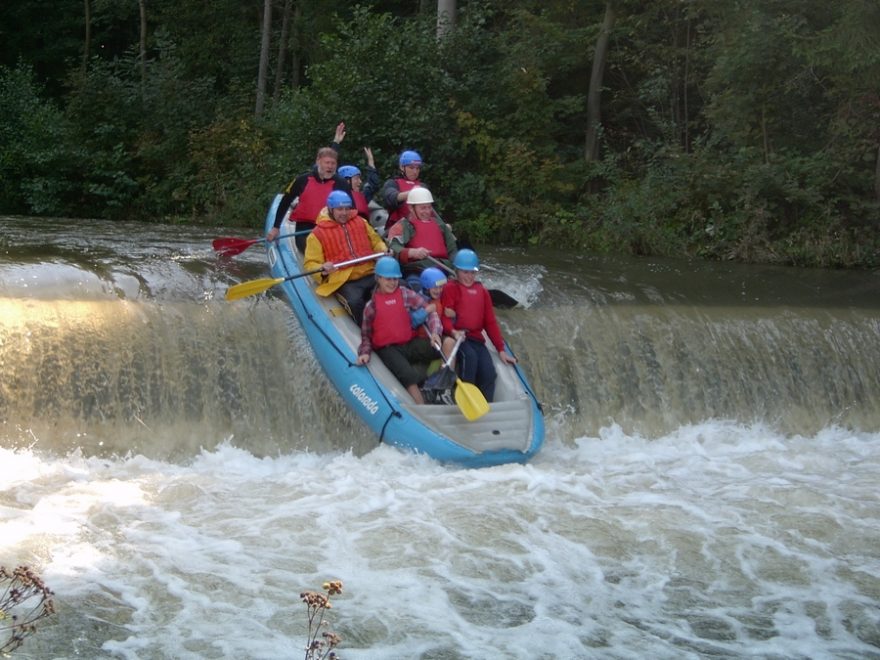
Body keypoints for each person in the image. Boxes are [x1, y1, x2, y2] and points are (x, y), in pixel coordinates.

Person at [357, 257, 442, 405]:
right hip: (388, 349)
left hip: (409, 342)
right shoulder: (371, 306)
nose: (393, 283)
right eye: (388, 279)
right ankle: (422, 408)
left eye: (395, 279)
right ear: (378, 279)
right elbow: (366, 335)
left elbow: (429, 310)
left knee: (439, 348)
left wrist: (435, 332)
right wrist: (364, 352)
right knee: (408, 375)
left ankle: (440, 388)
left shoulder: (405, 294)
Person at [440, 249, 517, 402]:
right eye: (465, 272)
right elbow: (445, 318)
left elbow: (490, 322)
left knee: (489, 373)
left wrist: (500, 349)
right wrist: (453, 332)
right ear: (456, 271)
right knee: (470, 358)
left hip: (476, 339)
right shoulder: (450, 289)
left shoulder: (482, 292)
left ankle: (486, 404)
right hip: (460, 338)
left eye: (472, 273)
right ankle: (461, 399)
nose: (469, 277)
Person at [303, 191, 387, 325]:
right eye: (340, 209)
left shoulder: (361, 222)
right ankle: (365, 332)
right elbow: (310, 264)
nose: (344, 213)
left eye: (347, 209)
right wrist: (322, 268)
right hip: (344, 280)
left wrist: (382, 250)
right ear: (331, 209)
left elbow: (376, 242)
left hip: (370, 272)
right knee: (355, 302)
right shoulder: (316, 235)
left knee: (391, 292)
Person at [268, 132, 350, 253]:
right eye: (327, 163)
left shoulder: (341, 183)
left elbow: (351, 209)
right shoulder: (302, 180)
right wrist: (276, 228)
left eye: (333, 164)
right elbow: (285, 202)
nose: (330, 167)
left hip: (330, 229)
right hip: (304, 230)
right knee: (315, 250)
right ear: (318, 162)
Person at [386, 186, 457, 282]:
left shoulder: (440, 224)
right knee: (415, 284)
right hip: (417, 271)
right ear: (411, 208)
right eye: (423, 208)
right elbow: (393, 247)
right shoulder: (402, 226)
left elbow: (452, 249)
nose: (427, 212)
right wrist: (412, 252)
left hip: (443, 269)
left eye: (429, 207)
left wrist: (457, 269)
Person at [379, 149, 425, 232]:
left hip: (421, 228)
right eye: (411, 167)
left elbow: (431, 211)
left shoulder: (422, 186)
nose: (415, 172)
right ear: (401, 167)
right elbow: (391, 197)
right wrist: (411, 193)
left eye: (417, 168)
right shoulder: (392, 183)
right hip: (399, 230)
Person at [337, 146, 380, 222]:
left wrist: (371, 163)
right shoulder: (336, 199)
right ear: (346, 180)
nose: (360, 182)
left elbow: (374, 185)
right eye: (356, 178)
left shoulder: (363, 196)